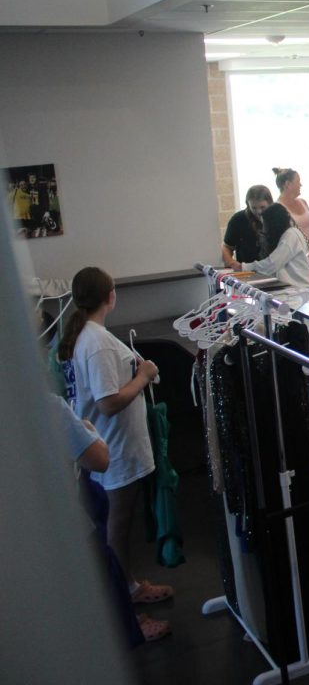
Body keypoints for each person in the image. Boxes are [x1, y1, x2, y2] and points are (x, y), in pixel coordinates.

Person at [56, 267, 174, 610]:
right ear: (111, 296)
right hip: (116, 453)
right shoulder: (96, 343)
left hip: (117, 449)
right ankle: (125, 600)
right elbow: (108, 403)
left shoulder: (93, 337)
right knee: (116, 531)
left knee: (119, 529)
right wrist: (145, 375)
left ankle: (129, 587)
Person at [50, 394, 169, 643]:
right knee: (105, 561)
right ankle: (124, 626)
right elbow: (99, 458)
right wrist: (91, 433)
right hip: (71, 514)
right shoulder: (47, 404)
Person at [240, 203, 309, 290]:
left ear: (273, 224)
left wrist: (244, 267)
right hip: (296, 288)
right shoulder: (288, 234)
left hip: (301, 288)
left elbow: (272, 264)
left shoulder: (290, 236)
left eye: (265, 225)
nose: (264, 229)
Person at [273, 167, 309, 293]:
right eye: (298, 181)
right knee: (306, 297)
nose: (301, 184)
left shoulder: (303, 202)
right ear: (288, 184)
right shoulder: (278, 209)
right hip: (297, 263)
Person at [221, 185, 273, 267]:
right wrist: (231, 263)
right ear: (248, 205)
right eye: (254, 208)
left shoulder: (277, 217)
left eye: (263, 207)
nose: (259, 212)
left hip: (273, 270)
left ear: (270, 203)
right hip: (247, 271)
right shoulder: (238, 219)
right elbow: (227, 247)